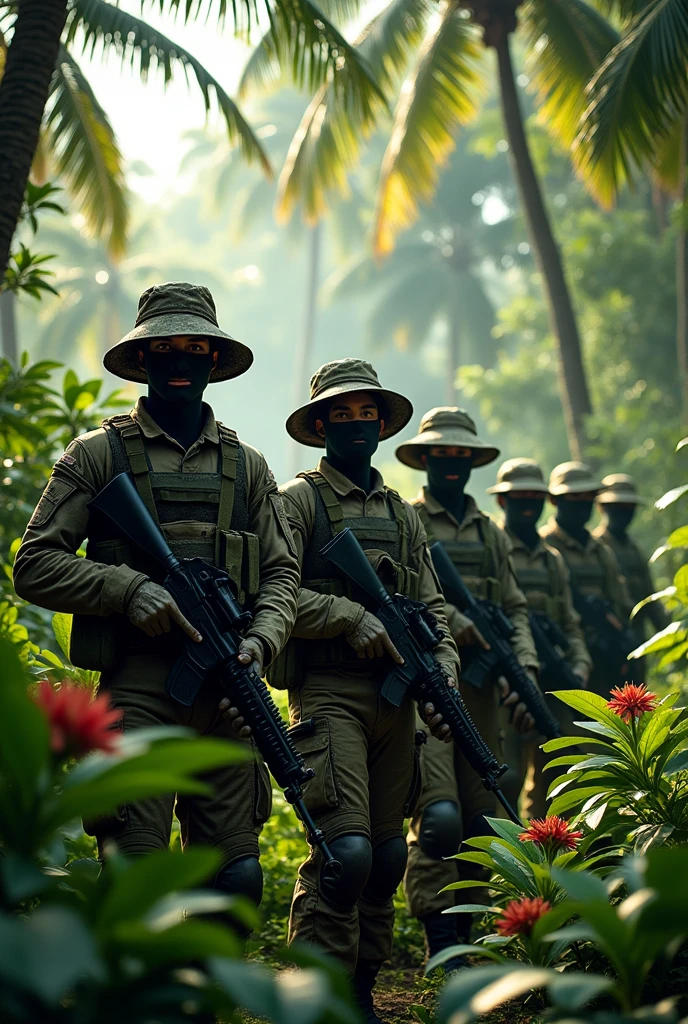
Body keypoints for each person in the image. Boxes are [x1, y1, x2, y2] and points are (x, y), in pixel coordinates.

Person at [14, 282, 300, 919]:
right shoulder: (95, 455)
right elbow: (33, 564)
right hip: (139, 689)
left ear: (213, 363)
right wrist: (127, 589)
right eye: (164, 348)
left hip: (228, 690)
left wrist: (261, 641)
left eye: (194, 348)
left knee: (237, 880)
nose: (179, 361)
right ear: (141, 360)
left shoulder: (249, 468)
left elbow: (283, 574)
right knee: (136, 873)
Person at [270, 360, 459, 1023]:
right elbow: (276, 595)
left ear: (383, 423)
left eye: (367, 413)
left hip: (396, 699)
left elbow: (432, 609)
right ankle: (315, 993)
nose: (356, 424)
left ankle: (359, 987)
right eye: (341, 414)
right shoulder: (298, 501)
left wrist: (443, 676)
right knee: (343, 853)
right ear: (319, 424)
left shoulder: (403, 516)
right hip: (328, 694)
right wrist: (352, 617)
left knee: (382, 859)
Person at [395, 408, 539, 964]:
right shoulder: (409, 520)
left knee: (484, 816)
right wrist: (454, 622)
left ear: (473, 462)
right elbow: (403, 598)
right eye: (442, 454)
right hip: (429, 688)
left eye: (462, 455)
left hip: (479, 696)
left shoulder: (491, 535)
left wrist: (520, 665)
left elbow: (515, 608)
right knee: (438, 816)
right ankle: (440, 936)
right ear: (425, 459)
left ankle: (477, 929)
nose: (451, 463)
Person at [487, 458, 592, 818]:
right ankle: (506, 867)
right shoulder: (493, 548)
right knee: (506, 778)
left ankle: (547, 862)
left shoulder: (553, 560)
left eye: (535, 496)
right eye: (519, 497)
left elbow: (570, 623)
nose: (527, 504)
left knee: (559, 777)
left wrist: (578, 664)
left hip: (552, 684)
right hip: (505, 684)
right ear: (503, 501)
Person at [541, 462, 632, 698]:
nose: (581, 504)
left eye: (587, 497)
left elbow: (619, 602)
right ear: (554, 500)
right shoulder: (542, 546)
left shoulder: (601, 552)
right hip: (559, 656)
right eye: (573, 497)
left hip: (602, 657)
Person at [594, 473, 669, 638]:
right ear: (602, 507)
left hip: (636, 638)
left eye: (628, 507)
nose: (623, 513)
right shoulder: (594, 549)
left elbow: (650, 599)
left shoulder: (634, 551)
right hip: (605, 641)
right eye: (617, 506)